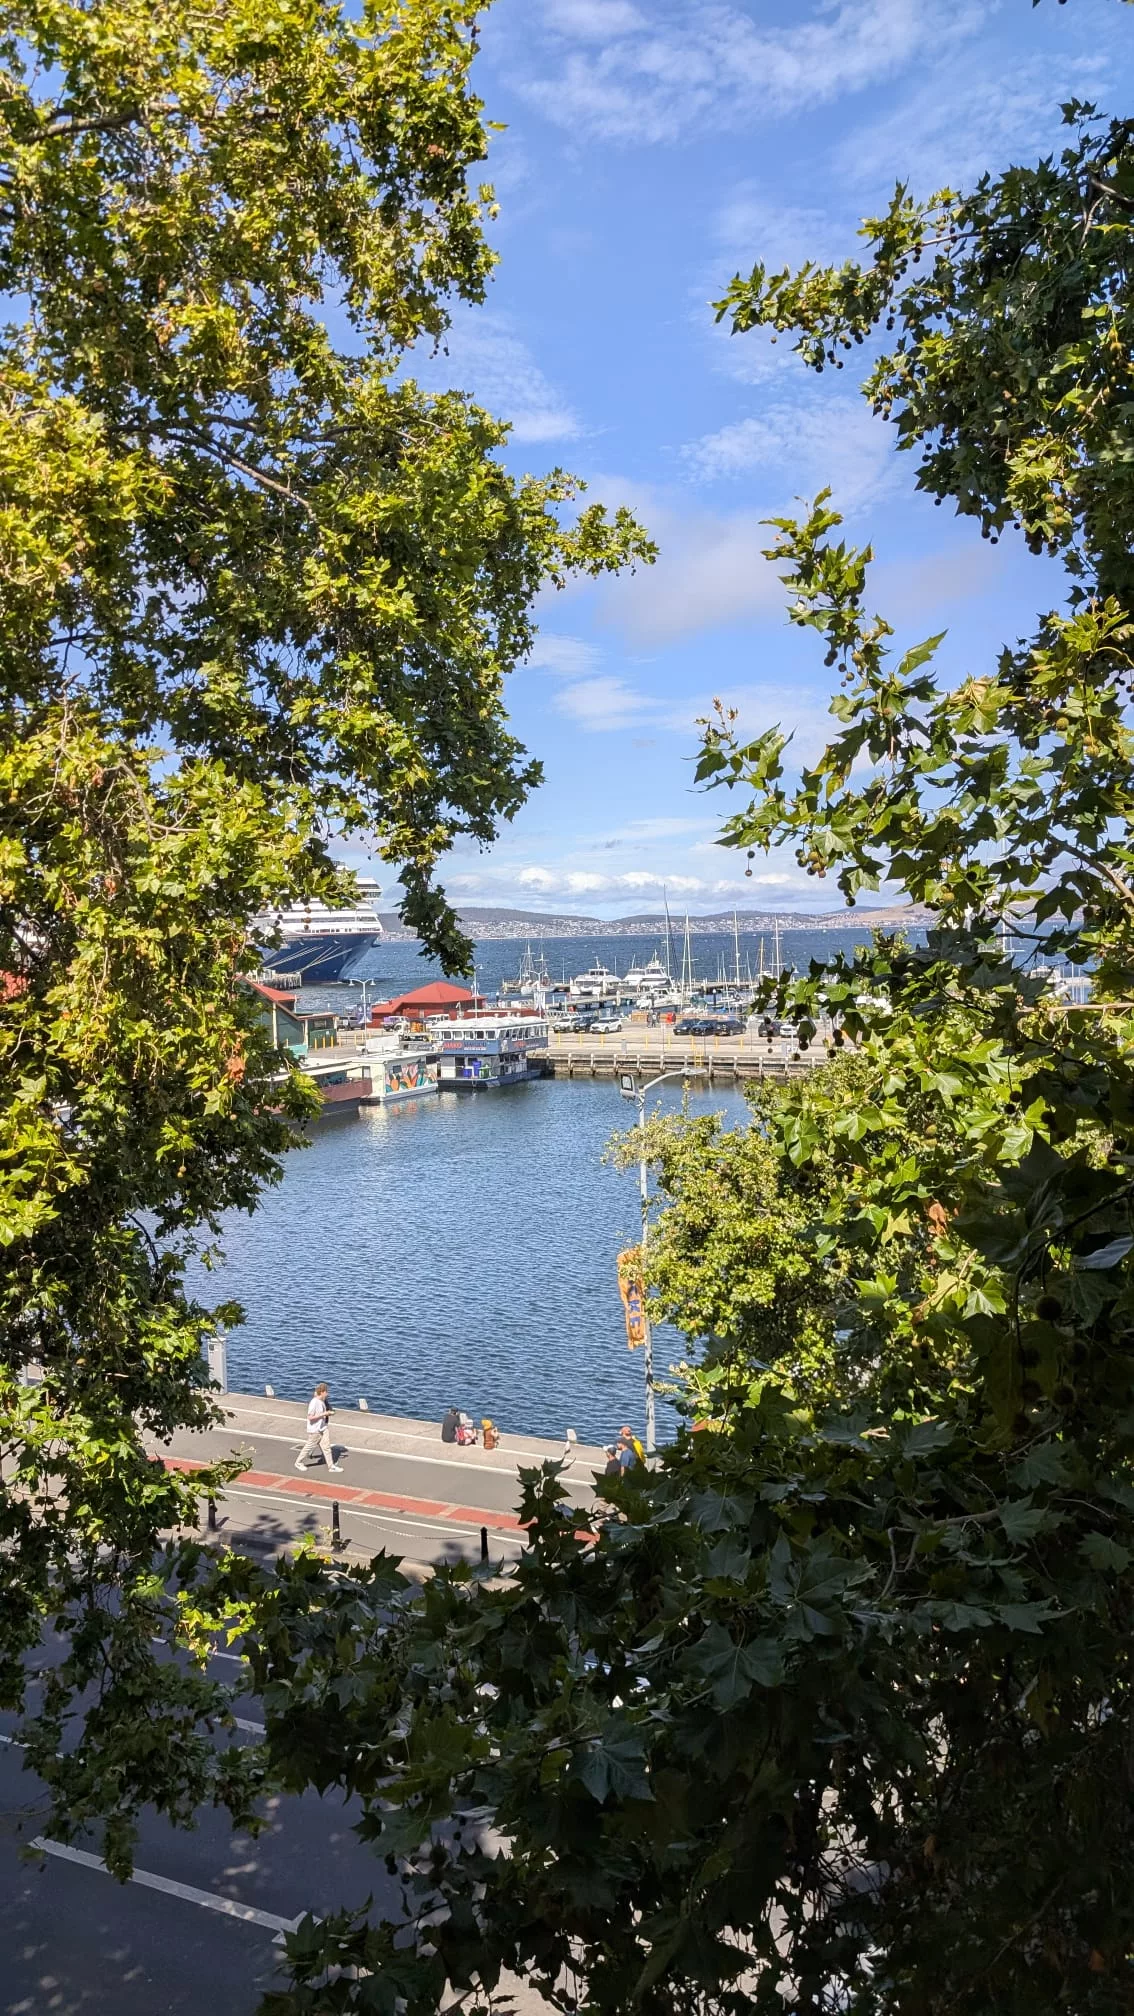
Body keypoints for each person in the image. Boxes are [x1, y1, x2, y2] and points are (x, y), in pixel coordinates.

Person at [296, 1383, 342, 1472]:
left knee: (327, 1447)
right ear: (321, 1392)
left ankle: (331, 1466)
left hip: (323, 1428)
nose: (327, 1394)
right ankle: (298, 1462)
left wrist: (328, 1413)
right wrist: (324, 1414)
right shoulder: (314, 1403)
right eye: (326, 1392)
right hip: (315, 1430)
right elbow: (310, 1417)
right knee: (309, 1447)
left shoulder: (322, 1401)